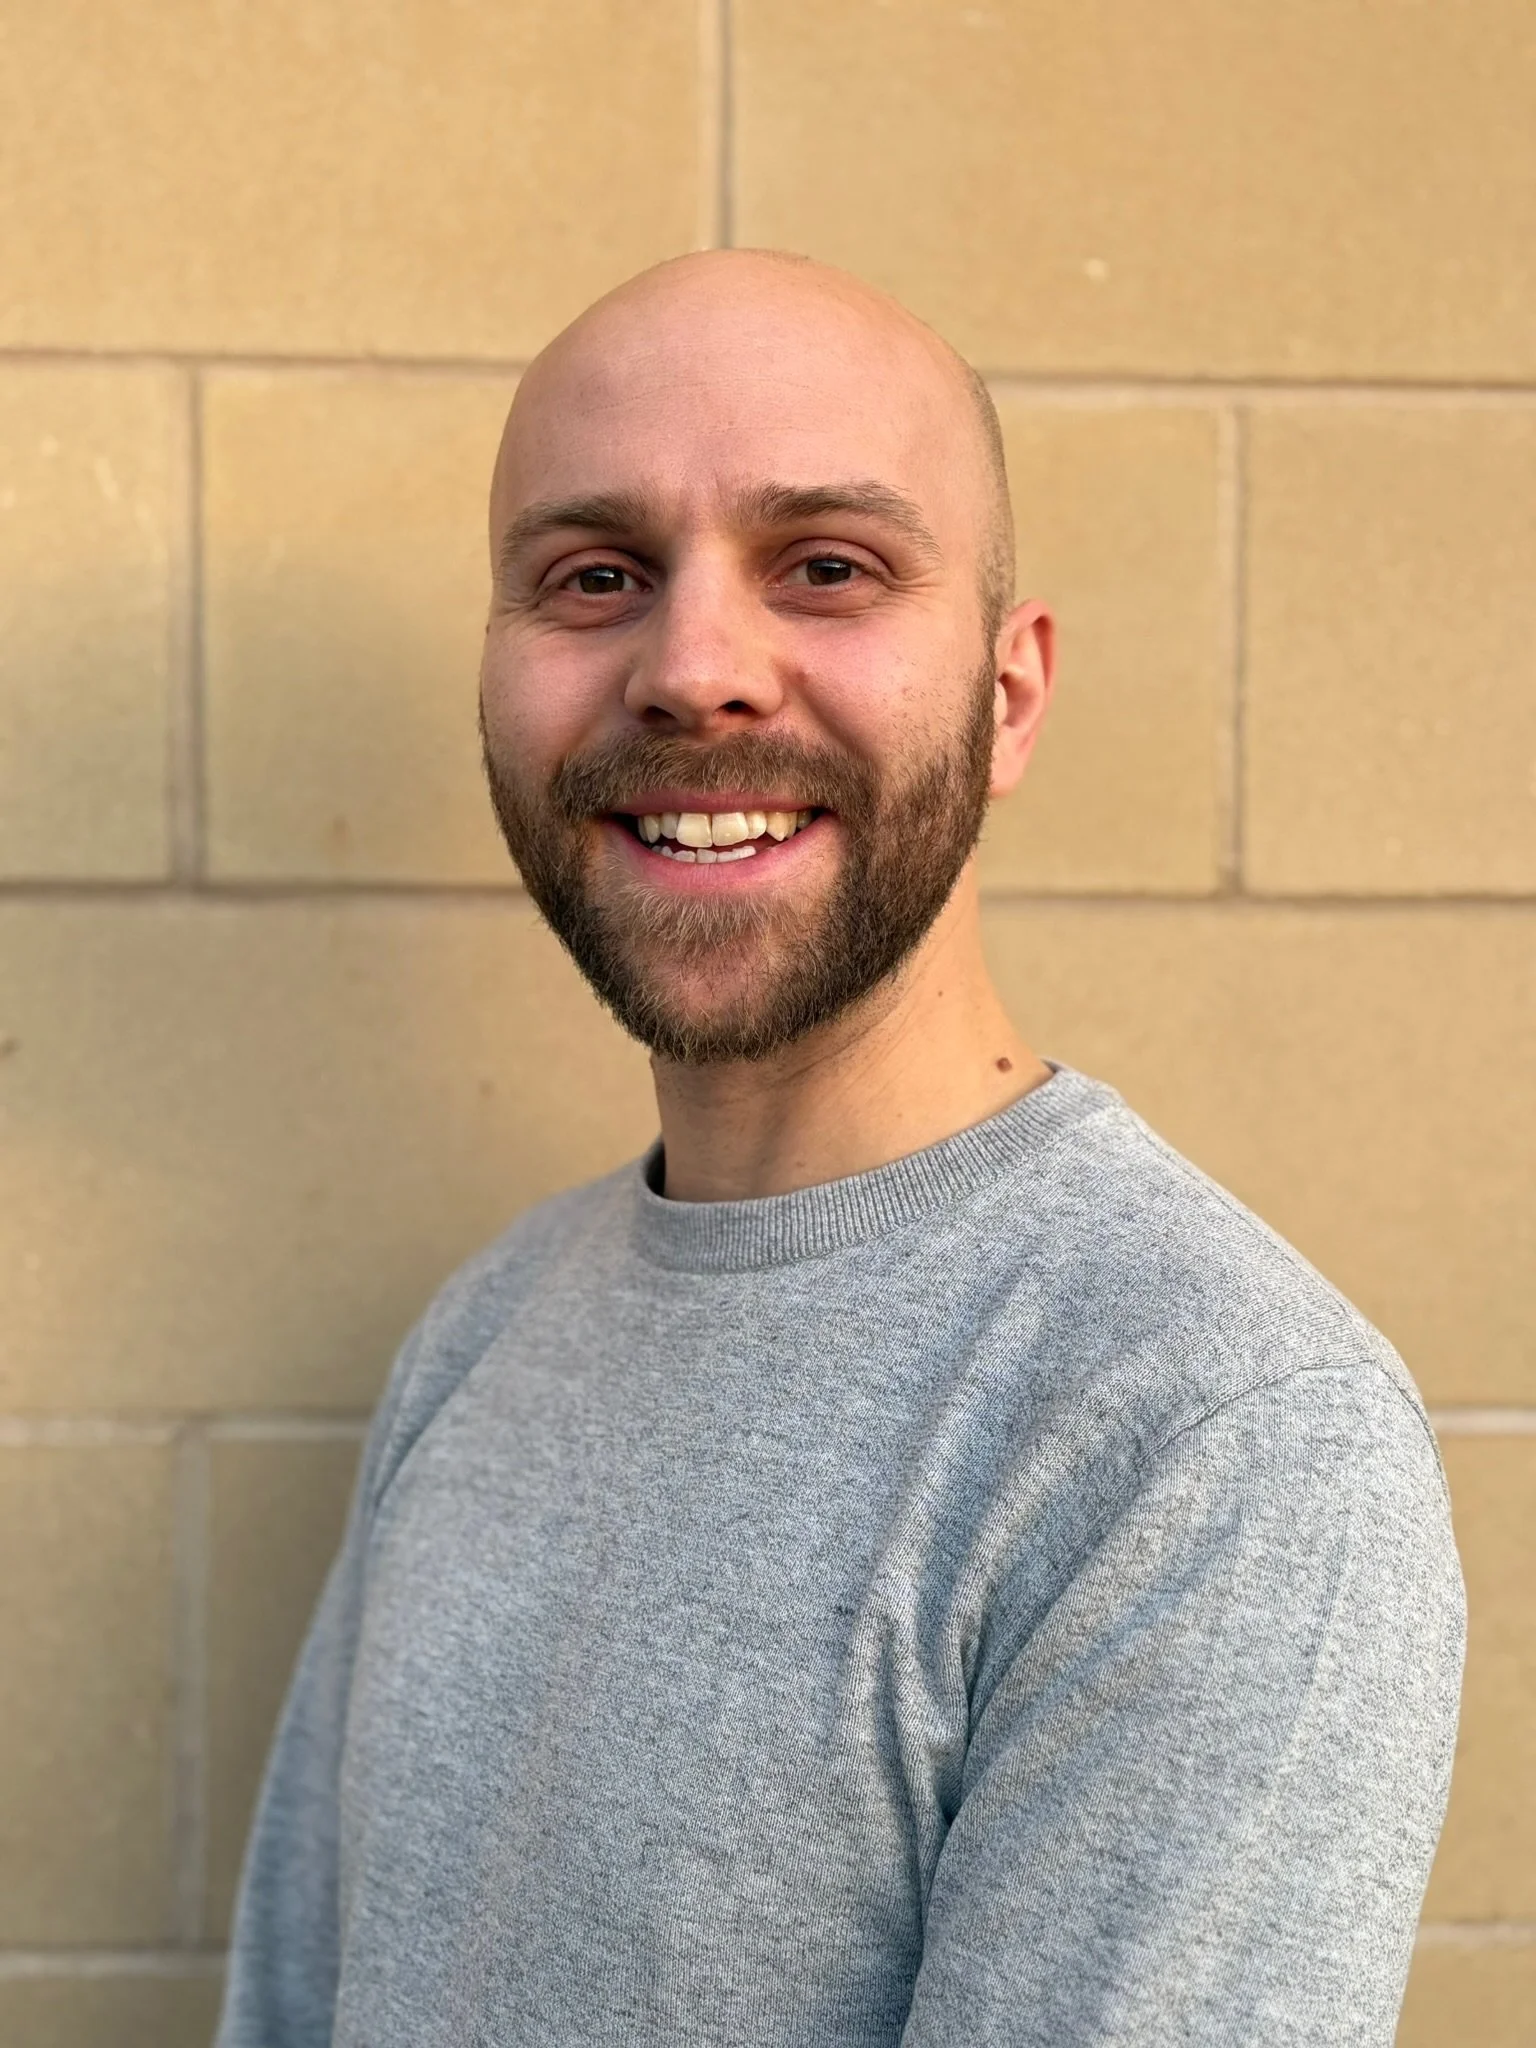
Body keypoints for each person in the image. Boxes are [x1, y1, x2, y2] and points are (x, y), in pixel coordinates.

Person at [216, 250, 1464, 2047]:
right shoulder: (483, 1332)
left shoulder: (1212, 1435)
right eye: (595, 577)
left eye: (829, 566)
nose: (694, 672)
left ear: (1010, 696)